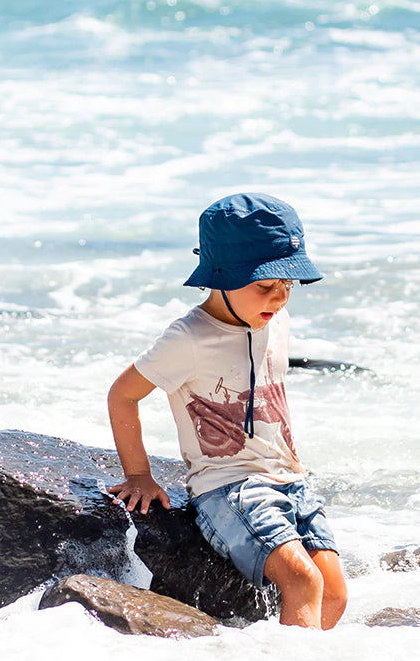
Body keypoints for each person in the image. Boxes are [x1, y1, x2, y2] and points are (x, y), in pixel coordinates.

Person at [106, 192, 347, 630]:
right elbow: (122, 395)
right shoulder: (188, 337)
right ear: (220, 276)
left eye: (288, 286)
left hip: (289, 479)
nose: (278, 299)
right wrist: (139, 475)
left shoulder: (274, 321)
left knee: (334, 591)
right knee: (301, 579)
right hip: (228, 486)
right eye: (264, 286)